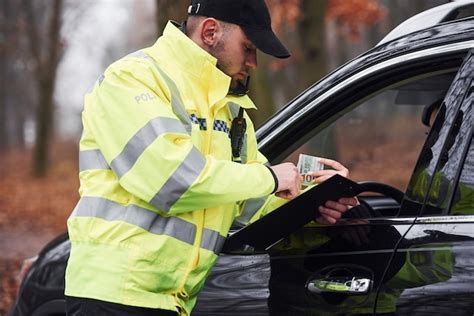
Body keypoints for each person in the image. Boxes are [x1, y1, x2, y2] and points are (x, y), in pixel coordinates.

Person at [64, 0, 358, 315]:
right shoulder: (134, 79)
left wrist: (314, 202)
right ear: (210, 32)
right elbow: (172, 180)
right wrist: (271, 178)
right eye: (248, 48)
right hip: (114, 294)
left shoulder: (231, 108)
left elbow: (250, 204)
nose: (254, 63)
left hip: (172, 299)